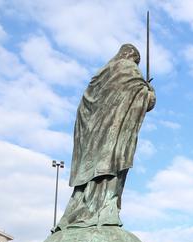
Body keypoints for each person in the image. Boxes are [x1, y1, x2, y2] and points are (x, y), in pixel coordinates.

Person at [57, 43, 155, 230]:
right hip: (111, 136)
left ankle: (80, 209)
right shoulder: (128, 68)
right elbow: (146, 100)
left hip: (91, 137)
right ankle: (103, 210)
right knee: (109, 168)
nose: (136, 64)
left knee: (92, 174)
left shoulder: (102, 73)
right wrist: (150, 91)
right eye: (136, 60)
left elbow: (87, 103)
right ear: (132, 56)